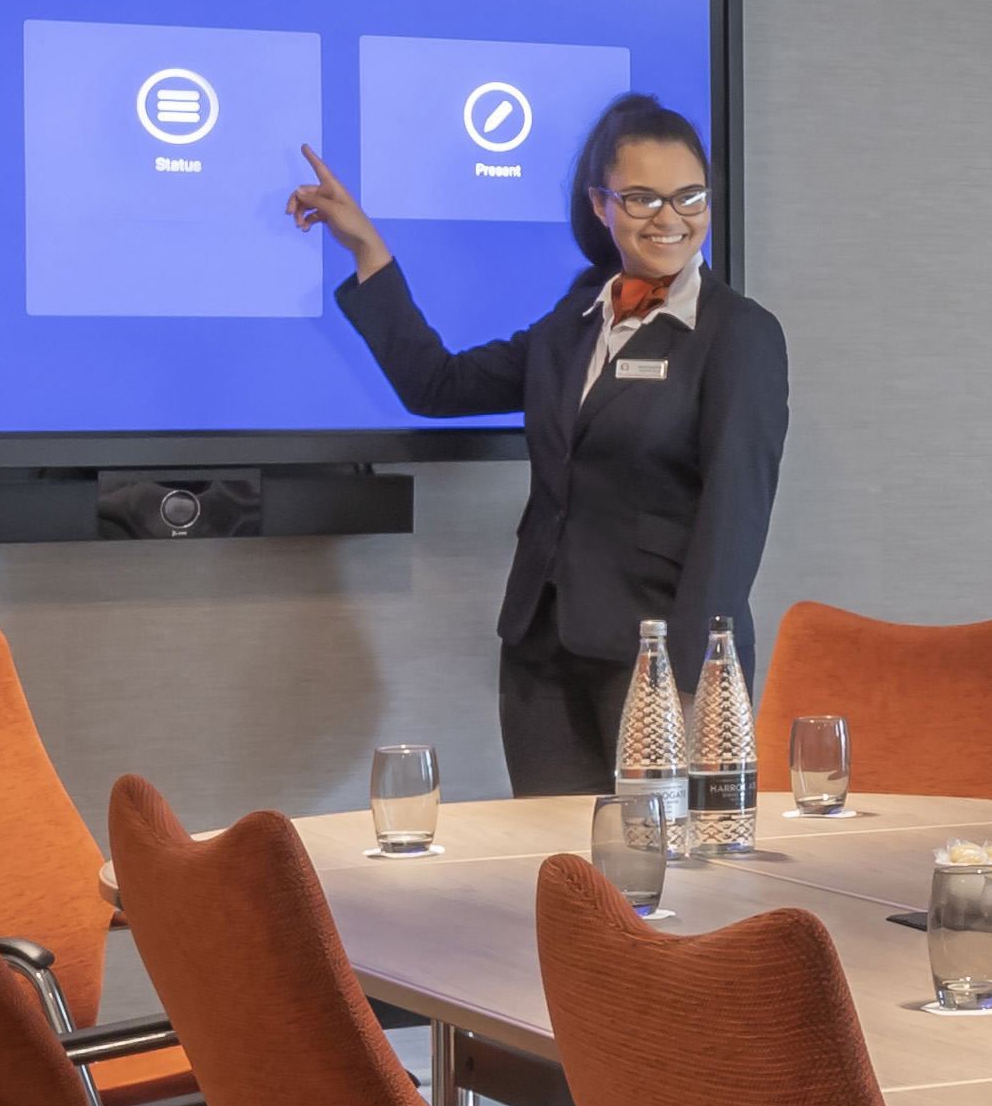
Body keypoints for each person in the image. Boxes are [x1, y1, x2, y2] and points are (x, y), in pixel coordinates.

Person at [286, 95, 789, 799]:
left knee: (666, 883)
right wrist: (366, 244)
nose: (669, 218)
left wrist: (687, 679)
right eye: (642, 198)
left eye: (689, 196)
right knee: (559, 868)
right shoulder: (574, 322)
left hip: (656, 661)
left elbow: (734, 519)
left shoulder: (738, 334)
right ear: (600, 204)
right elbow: (437, 385)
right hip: (541, 648)